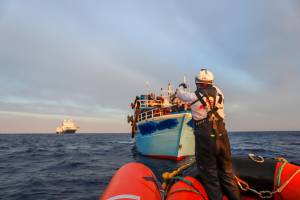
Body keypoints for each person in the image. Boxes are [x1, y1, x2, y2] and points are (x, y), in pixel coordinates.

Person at [176, 69, 241, 200]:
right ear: (211, 82)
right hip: (222, 137)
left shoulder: (193, 97)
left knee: (210, 176)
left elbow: (180, 94)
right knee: (227, 173)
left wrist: (181, 86)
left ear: (197, 83)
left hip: (205, 139)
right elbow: (211, 88)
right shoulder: (220, 93)